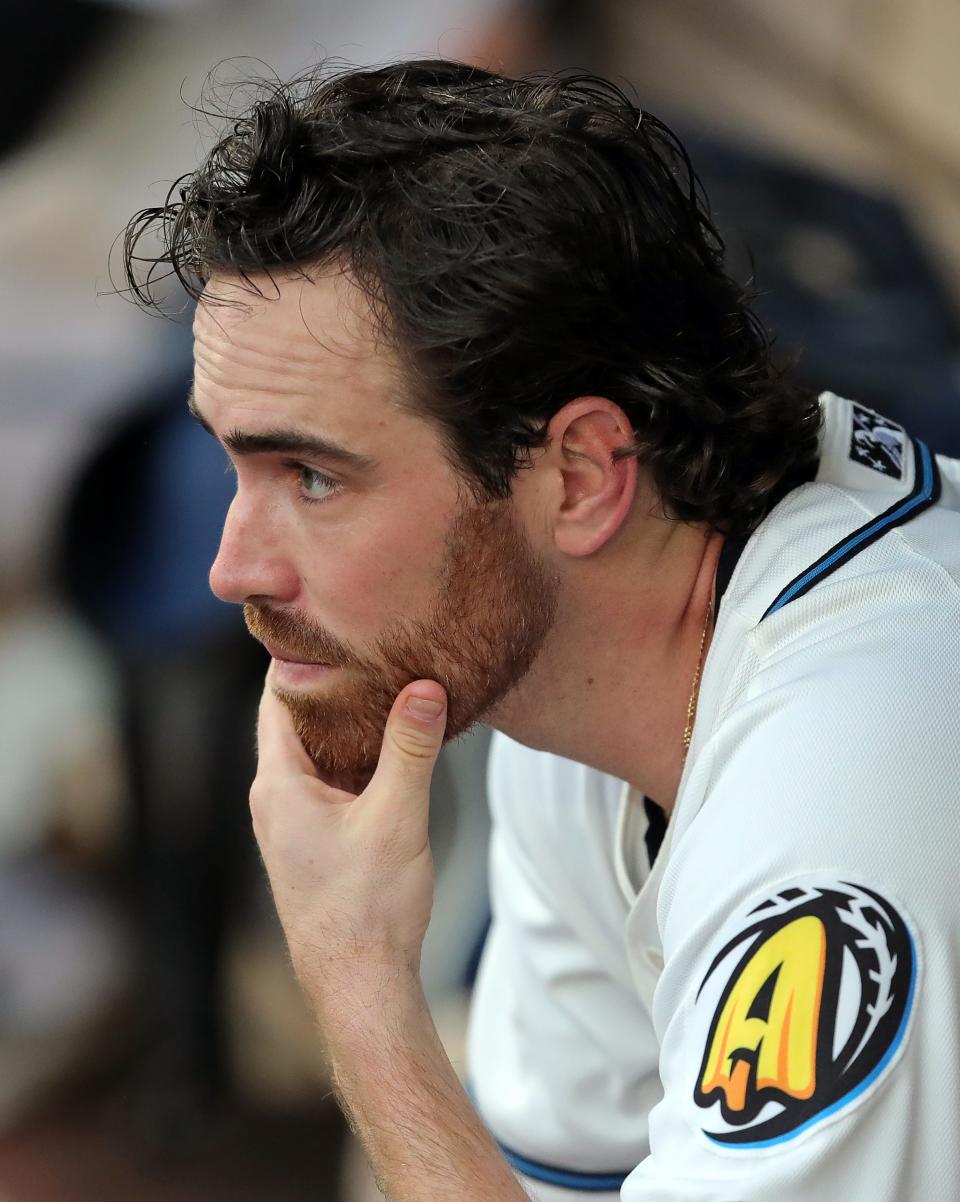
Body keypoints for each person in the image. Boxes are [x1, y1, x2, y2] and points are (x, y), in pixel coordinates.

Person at [119, 59, 960, 1201]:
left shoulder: (850, 791)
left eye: (312, 475)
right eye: (236, 462)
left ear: (578, 475)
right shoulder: (576, 679)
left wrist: (357, 980)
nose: (232, 568)